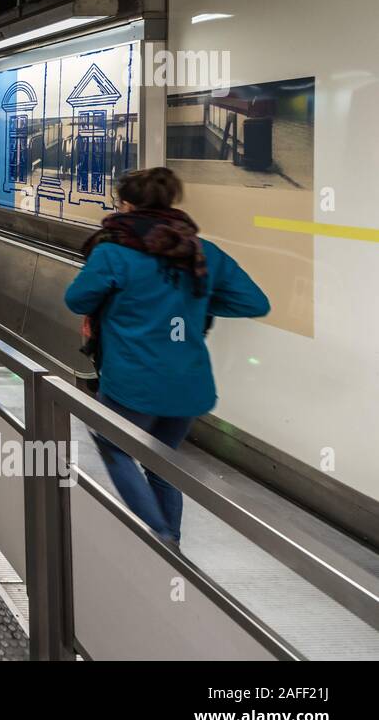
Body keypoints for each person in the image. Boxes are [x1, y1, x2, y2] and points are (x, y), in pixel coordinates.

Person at [63, 167, 268, 545]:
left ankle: (159, 537)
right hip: (188, 384)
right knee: (162, 460)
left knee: (113, 445)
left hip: (133, 382)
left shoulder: (113, 252)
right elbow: (254, 302)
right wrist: (195, 302)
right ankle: (171, 542)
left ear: (127, 205)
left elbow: (77, 300)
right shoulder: (203, 252)